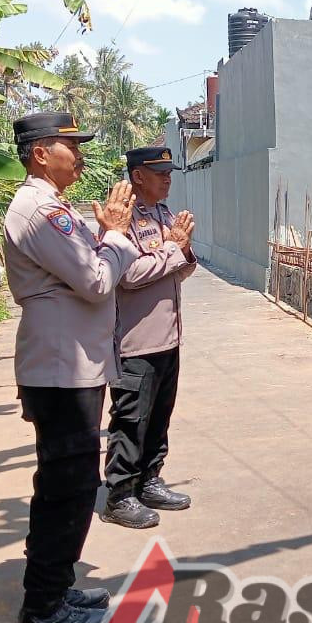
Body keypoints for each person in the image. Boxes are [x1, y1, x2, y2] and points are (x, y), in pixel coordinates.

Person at [2, 112, 139, 623]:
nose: (79, 156)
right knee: (67, 486)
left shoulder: (51, 207)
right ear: (41, 153)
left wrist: (103, 234)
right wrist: (117, 238)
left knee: (71, 483)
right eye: (70, 146)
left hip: (68, 365)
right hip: (62, 369)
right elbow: (96, 279)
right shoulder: (41, 211)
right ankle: (43, 608)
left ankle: (54, 590)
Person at [101, 146, 198, 529]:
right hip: (136, 341)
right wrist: (175, 248)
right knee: (130, 419)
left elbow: (179, 270)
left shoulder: (165, 215)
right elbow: (128, 274)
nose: (167, 178)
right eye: (159, 172)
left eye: (169, 171)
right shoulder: (120, 221)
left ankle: (150, 479)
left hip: (168, 337)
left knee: (159, 416)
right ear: (137, 176)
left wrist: (183, 253)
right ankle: (119, 495)